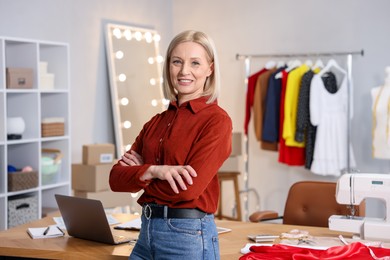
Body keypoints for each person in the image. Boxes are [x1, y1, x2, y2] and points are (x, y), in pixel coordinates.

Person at [109, 30, 232, 260]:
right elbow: (115, 179)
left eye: (195, 63)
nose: (184, 71)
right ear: (168, 67)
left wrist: (139, 177)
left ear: (210, 68)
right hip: (145, 234)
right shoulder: (155, 122)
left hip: (187, 238)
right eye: (177, 62)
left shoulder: (217, 120)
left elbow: (188, 189)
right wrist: (154, 170)